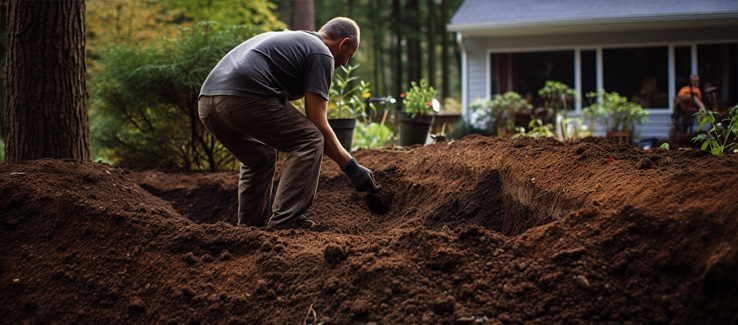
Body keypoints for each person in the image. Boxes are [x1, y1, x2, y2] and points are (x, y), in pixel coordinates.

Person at [198, 17, 380, 230]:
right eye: (349, 56)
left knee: (260, 158)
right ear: (344, 43)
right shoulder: (322, 53)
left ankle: (248, 231)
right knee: (310, 140)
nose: (345, 63)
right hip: (244, 98)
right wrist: (351, 167)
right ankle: (285, 224)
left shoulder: (292, 39)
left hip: (207, 103)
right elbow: (317, 122)